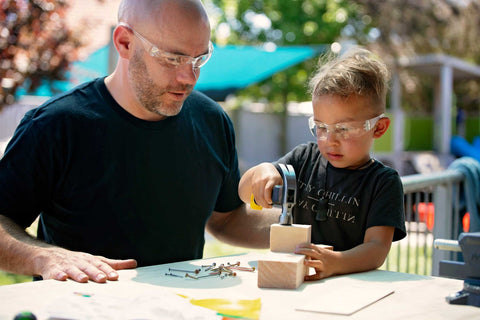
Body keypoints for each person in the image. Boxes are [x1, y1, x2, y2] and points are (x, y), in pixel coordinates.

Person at [0, 0, 278, 284]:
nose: (189, 77)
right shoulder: (55, 125)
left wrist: (312, 227)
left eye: (199, 59)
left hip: (180, 310)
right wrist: (45, 257)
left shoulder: (212, 120)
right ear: (124, 42)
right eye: (172, 58)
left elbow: (227, 219)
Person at [239, 47, 407, 280]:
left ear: (378, 128)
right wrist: (262, 171)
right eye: (321, 127)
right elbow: (245, 194)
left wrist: (335, 263)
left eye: (343, 129)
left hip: (351, 286)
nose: (330, 140)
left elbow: (377, 249)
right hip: (296, 280)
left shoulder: (383, 183)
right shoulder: (302, 159)